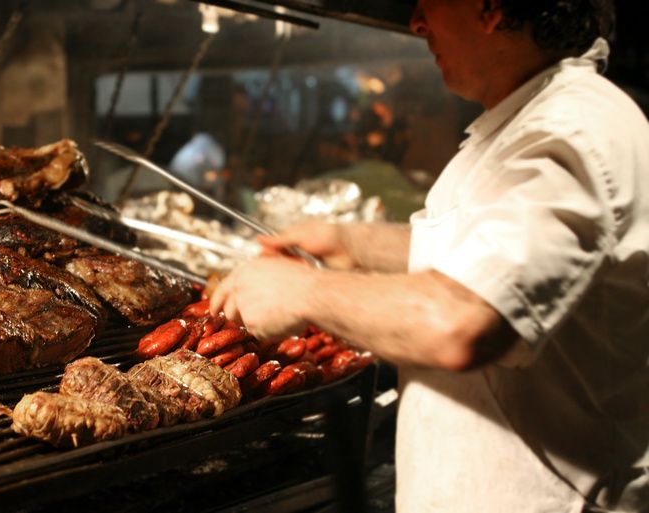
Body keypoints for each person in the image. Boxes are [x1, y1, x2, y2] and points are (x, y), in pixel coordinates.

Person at [209, 1, 649, 512]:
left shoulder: (569, 131)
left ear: (488, 7)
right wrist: (352, 243)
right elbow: (486, 253)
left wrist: (304, 290)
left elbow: (466, 321)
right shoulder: (535, 119)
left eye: (428, 3)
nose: (416, 22)